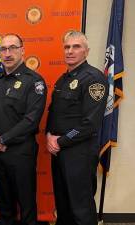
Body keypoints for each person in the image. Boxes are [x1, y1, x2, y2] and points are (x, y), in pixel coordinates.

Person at [0, 33, 47, 225]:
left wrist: (2, 140)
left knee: (26, 203)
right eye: (3, 49)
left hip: (21, 152)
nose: (7, 53)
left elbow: (31, 120)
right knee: (4, 203)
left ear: (22, 51)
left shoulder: (34, 81)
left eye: (12, 48)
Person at [46, 31, 108, 225]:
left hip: (79, 153)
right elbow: (54, 112)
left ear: (86, 52)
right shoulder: (63, 79)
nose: (70, 51)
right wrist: (49, 135)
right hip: (59, 152)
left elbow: (90, 123)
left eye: (76, 47)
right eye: (67, 47)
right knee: (63, 206)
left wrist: (61, 140)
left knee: (81, 208)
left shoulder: (94, 79)